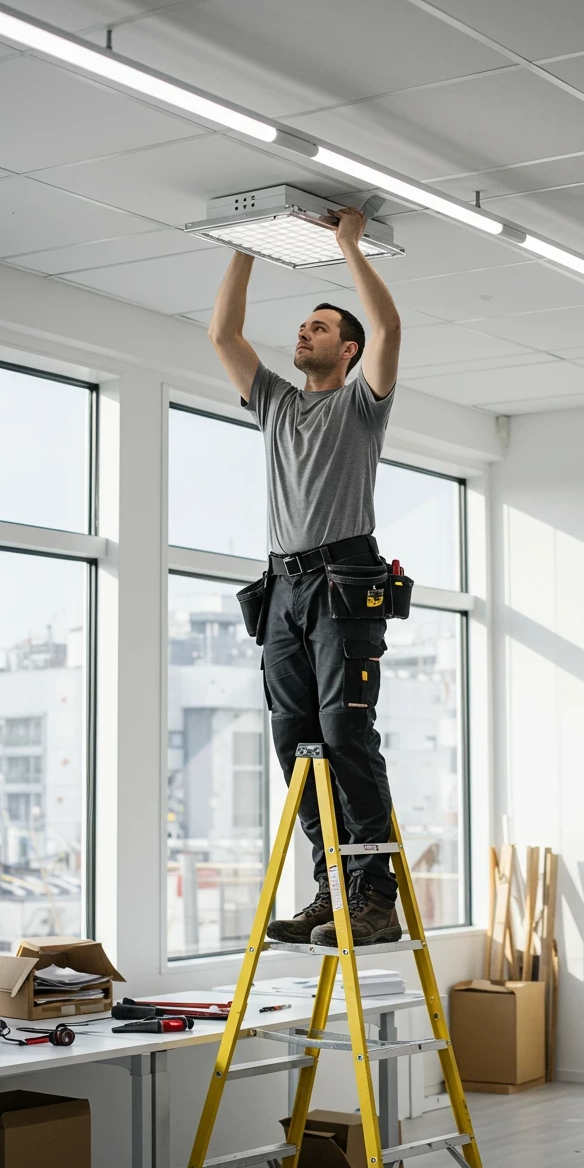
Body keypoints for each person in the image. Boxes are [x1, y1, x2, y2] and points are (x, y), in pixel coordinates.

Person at [208, 206, 403, 947]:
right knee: (297, 743)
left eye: (320, 328)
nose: (303, 334)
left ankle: (373, 896)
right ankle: (331, 891)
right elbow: (224, 335)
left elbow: (389, 330)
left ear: (347, 350)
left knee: (345, 733)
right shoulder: (276, 405)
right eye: (303, 327)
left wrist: (348, 248)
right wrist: (243, 247)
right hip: (282, 591)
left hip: (345, 582)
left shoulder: (361, 406)